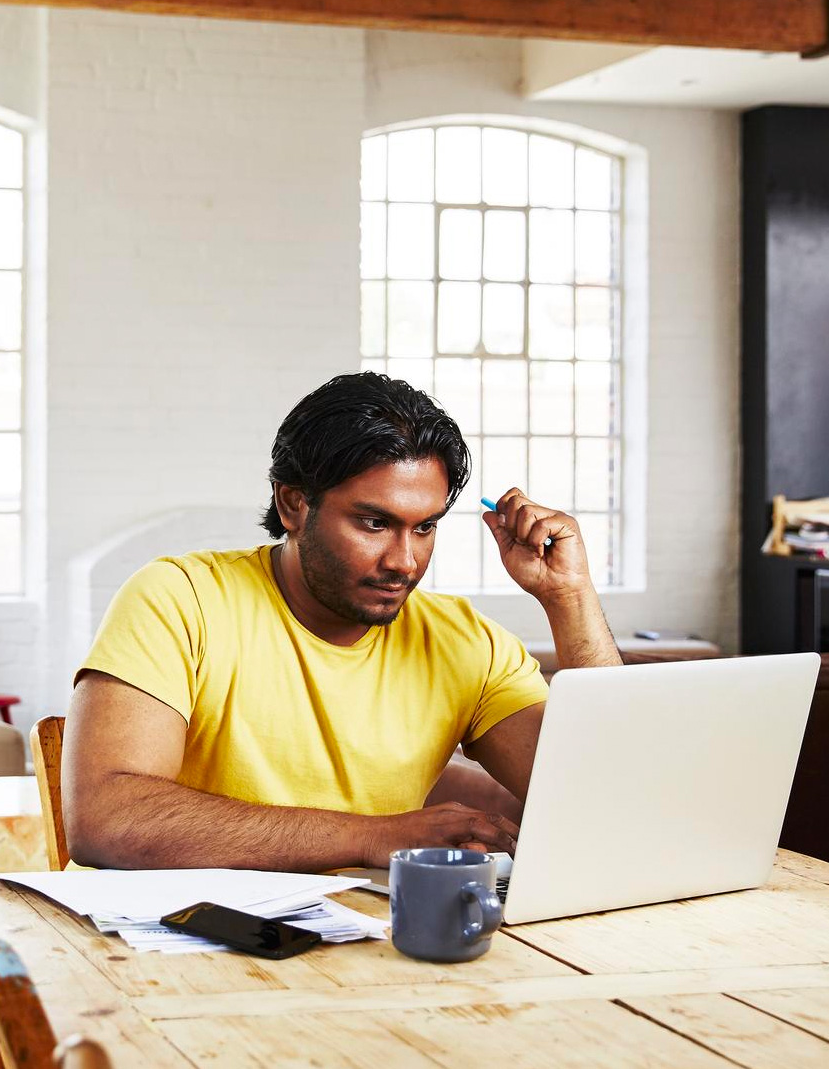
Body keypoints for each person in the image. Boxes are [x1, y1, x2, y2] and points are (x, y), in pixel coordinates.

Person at [63, 372, 621, 871]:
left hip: (355, 946)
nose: (404, 560)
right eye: (374, 523)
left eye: (425, 527)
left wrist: (568, 597)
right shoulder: (180, 599)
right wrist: (374, 836)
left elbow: (605, 799)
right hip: (160, 945)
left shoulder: (465, 642)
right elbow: (108, 818)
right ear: (292, 505)